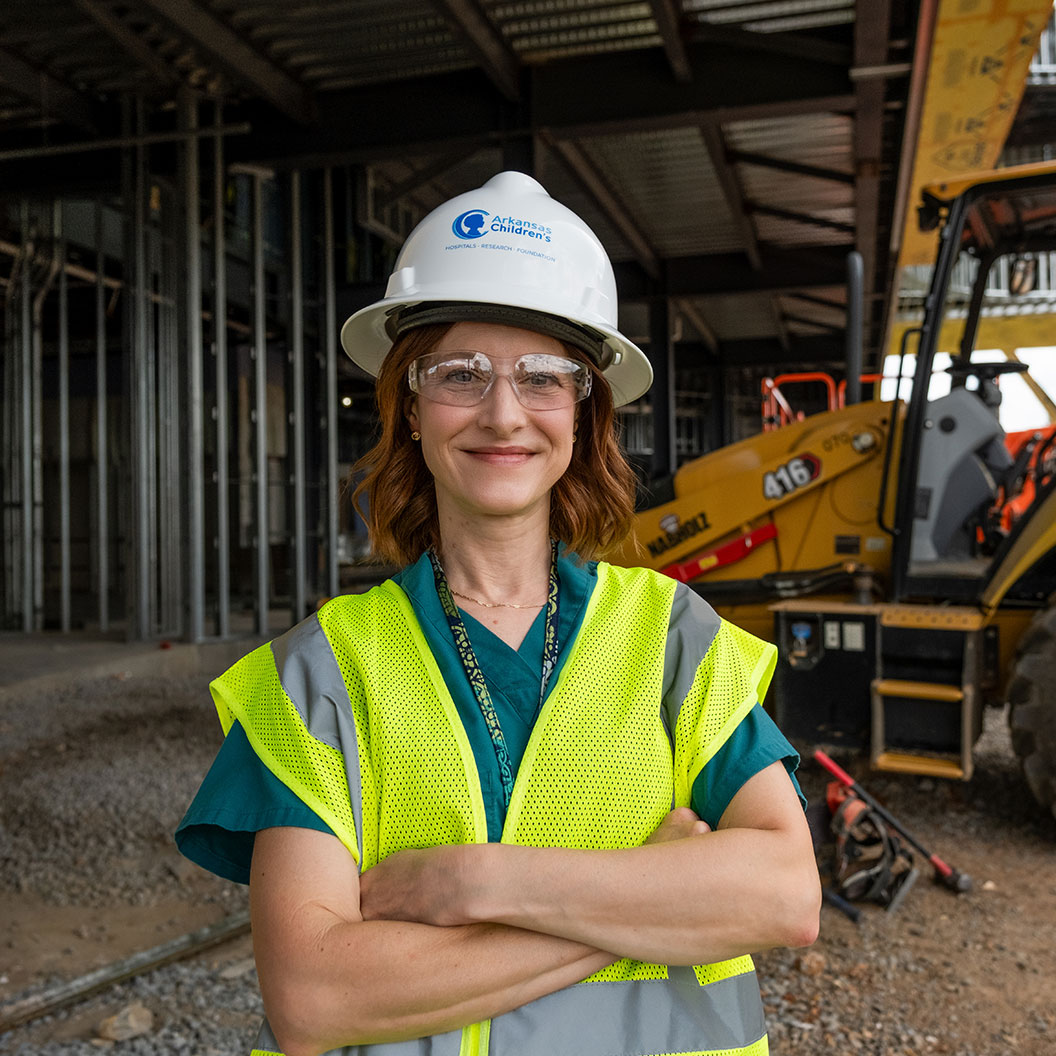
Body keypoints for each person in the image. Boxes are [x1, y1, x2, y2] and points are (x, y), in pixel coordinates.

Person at [176, 171, 820, 1056]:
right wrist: (654, 891)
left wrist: (475, 882)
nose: (504, 413)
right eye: (461, 375)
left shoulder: (673, 637)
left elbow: (785, 896)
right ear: (409, 407)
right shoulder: (321, 674)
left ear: (583, 414)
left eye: (544, 377)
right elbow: (314, 998)